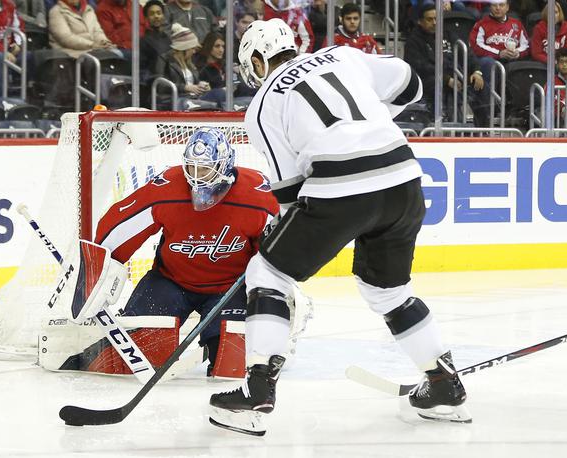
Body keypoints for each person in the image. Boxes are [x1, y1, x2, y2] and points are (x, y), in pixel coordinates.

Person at [208, 18, 471, 436]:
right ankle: (444, 384)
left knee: (267, 274)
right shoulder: (343, 55)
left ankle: (255, 391)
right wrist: (367, 123)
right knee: (389, 291)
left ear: (258, 61)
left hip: (341, 185)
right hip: (403, 177)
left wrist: (281, 241)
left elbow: (291, 192)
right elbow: (411, 84)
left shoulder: (261, 107)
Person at [93, 127, 279, 376]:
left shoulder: (257, 196)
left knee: (231, 368)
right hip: (170, 282)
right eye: (191, 168)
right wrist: (97, 268)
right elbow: (116, 231)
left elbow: (279, 250)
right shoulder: (168, 188)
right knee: (135, 358)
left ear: (224, 165)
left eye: (204, 169)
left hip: (231, 288)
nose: (196, 176)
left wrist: (270, 295)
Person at [404, 4, 488, 125]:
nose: (434, 22)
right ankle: (452, 124)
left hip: (456, 76)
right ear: (420, 21)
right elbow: (420, 67)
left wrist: (476, 71)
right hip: (429, 80)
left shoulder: (448, 35)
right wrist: (446, 79)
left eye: (436, 19)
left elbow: (468, 55)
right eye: (429, 19)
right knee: (441, 85)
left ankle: (483, 129)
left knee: (479, 84)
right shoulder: (413, 41)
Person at [469, 0, 529, 82]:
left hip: (513, 61)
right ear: (490, 6)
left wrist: (517, 53)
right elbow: (475, 46)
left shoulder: (517, 24)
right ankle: (488, 95)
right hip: (491, 62)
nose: (497, 8)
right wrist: (499, 53)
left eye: (501, 5)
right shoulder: (481, 24)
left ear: (507, 7)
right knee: (488, 62)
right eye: (494, 5)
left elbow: (526, 45)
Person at [48, 0, 115, 58]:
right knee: (97, 61)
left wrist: (104, 42)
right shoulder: (56, 12)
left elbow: (97, 31)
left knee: (116, 54)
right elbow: (65, 38)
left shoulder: (89, 9)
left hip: (92, 51)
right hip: (70, 54)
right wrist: (92, 45)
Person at [530, 0, 567, 64]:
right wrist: (551, 61)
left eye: (556, 12)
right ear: (546, 14)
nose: (553, 15)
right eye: (550, 12)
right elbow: (536, 53)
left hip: (561, 64)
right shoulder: (538, 28)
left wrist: (560, 62)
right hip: (543, 64)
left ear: (559, 14)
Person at [140, 0, 170, 78]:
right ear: (146, 17)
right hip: (157, 80)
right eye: (152, 14)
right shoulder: (143, 40)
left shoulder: (168, 38)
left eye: (159, 13)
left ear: (163, 15)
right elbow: (142, 69)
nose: (156, 16)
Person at [548, 47, 567, 125]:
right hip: (558, 120)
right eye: (561, 62)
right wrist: (562, 108)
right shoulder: (551, 82)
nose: (564, 64)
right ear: (557, 64)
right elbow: (549, 104)